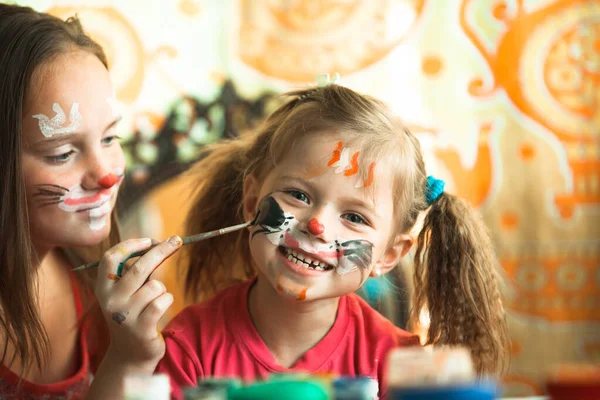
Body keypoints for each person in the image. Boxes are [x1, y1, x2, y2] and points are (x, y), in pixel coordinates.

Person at [155, 81, 510, 398]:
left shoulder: (399, 367)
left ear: (388, 254)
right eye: (298, 195)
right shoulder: (188, 346)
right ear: (251, 202)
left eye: (354, 217)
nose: (318, 226)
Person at [0, 5, 179, 398]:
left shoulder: (88, 277)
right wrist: (127, 362)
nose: (108, 174)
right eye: (62, 153)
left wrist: (134, 357)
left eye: (110, 138)